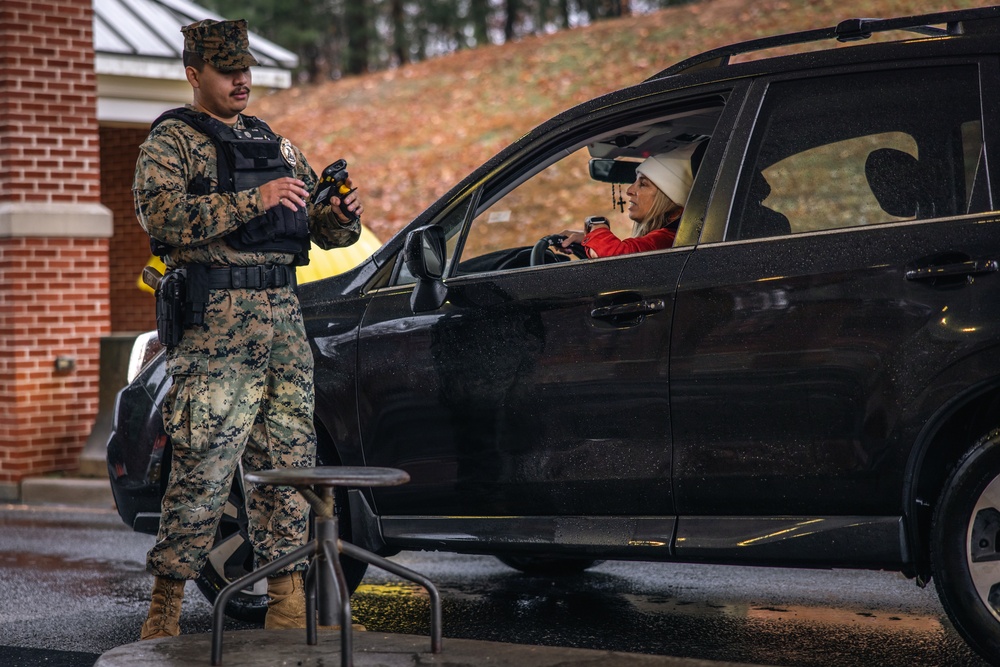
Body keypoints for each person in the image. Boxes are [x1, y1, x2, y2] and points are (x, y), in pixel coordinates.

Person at [132, 18, 363, 640]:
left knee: (289, 461)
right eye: (227, 69)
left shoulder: (274, 142)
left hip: (283, 323)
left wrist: (337, 214)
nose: (241, 79)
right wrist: (251, 202)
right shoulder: (171, 142)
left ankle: (288, 607)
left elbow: (318, 226)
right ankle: (165, 610)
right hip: (215, 329)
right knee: (202, 465)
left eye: (246, 68)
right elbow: (162, 216)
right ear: (193, 75)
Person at [555, 142, 699, 258]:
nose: (629, 190)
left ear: (675, 213)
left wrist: (598, 225)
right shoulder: (662, 242)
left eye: (642, 184)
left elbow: (616, 256)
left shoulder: (668, 239)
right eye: (634, 182)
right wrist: (588, 241)